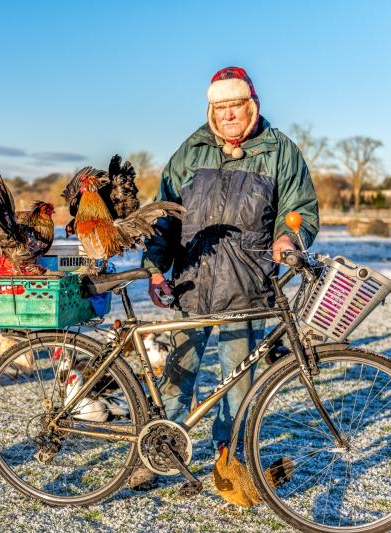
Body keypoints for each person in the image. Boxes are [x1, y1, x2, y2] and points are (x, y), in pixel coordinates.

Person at [130, 66, 319, 490]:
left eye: (236, 105)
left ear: (251, 105)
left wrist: (288, 240)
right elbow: (165, 216)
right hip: (191, 281)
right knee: (176, 374)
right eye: (221, 106)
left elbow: (301, 209)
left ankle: (230, 457)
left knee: (239, 382)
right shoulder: (192, 150)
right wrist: (156, 267)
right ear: (210, 108)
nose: (229, 114)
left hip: (249, 287)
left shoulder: (279, 151)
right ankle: (160, 450)